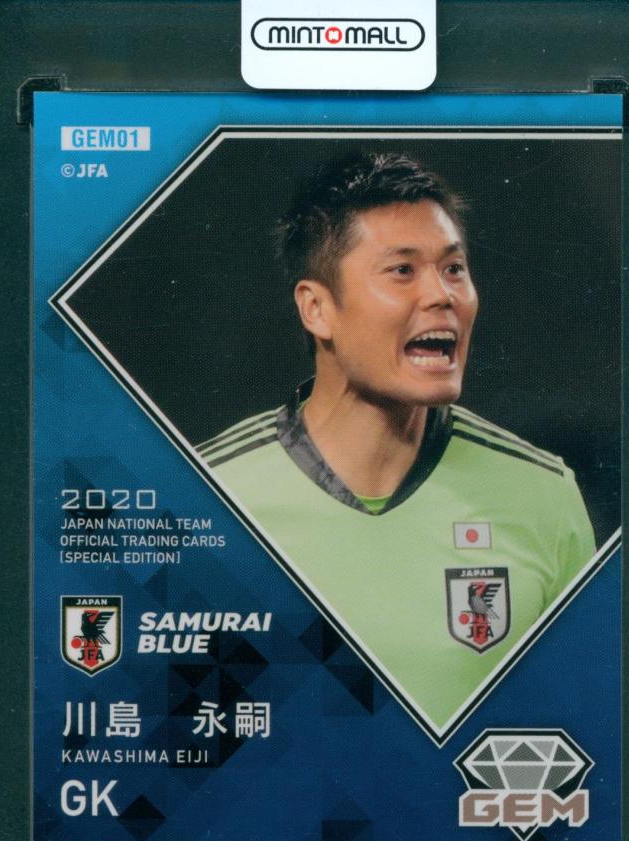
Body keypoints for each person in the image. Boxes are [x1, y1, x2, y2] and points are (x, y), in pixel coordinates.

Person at [197, 152, 595, 736]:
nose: (442, 295)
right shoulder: (206, 494)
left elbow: (588, 733)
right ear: (316, 308)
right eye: (403, 271)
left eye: (454, 269)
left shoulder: (542, 493)